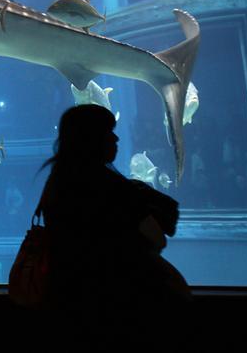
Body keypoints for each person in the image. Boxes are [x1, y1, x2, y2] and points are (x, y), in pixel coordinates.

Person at [37, 104, 190, 345]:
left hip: (67, 302)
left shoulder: (56, 184)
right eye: (109, 131)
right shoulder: (112, 188)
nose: (116, 138)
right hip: (123, 304)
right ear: (93, 139)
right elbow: (157, 238)